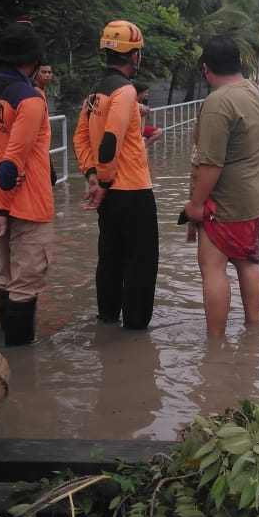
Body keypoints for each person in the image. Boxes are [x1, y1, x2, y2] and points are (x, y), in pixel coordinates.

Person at [0, 21, 53, 346]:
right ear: (33, 60)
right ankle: (20, 360)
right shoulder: (30, 99)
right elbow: (16, 158)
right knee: (26, 282)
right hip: (27, 203)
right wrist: (5, 184)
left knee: (5, 276)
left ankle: (3, 347)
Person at [181, 35, 259, 337]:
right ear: (239, 62)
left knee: (213, 269)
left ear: (206, 69)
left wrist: (195, 205)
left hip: (225, 204)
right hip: (255, 199)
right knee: (248, 264)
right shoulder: (253, 91)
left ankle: (215, 345)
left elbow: (211, 164)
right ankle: (254, 332)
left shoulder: (218, 102)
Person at [73, 20, 158, 331]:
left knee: (110, 257)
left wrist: (92, 175)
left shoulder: (96, 91)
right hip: (132, 191)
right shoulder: (125, 91)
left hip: (108, 194)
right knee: (140, 261)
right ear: (134, 56)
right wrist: (104, 181)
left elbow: (80, 138)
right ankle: (135, 329)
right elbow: (110, 141)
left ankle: (108, 317)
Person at [132, 82, 163, 146]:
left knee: (159, 131)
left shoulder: (142, 103)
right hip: (133, 129)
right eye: (145, 92)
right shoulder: (133, 102)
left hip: (140, 128)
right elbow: (146, 111)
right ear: (139, 93)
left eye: (147, 92)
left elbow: (146, 112)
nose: (147, 94)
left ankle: (144, 146)